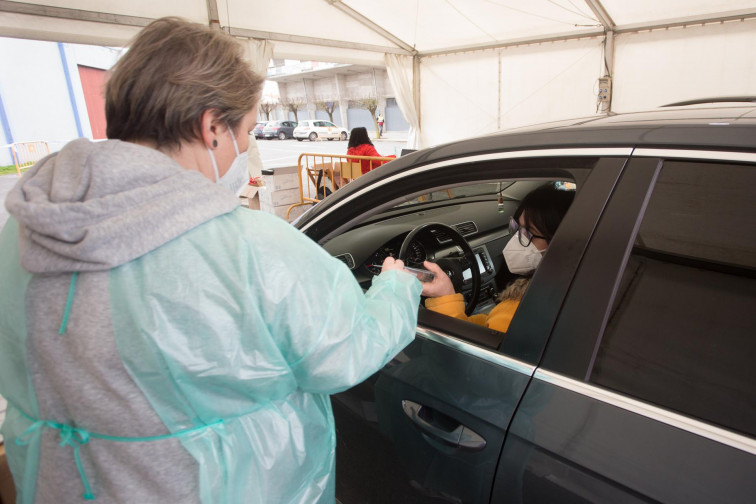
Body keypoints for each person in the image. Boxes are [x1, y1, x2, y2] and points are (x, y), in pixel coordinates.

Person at [0, 18, 422, 504]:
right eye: (245, 132)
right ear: (212, 126)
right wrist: (395, 287)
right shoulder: (251, 249)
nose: (245, 147)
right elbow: (345, 353)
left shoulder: (26, 226)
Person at [420, 184, 575, 333]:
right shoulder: (565, 291)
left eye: (528, 232)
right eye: (516, 228)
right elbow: (489, 327)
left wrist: (444, 296)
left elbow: (465, 353)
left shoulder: (522, 310)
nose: (516, 238)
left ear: (560, 241)